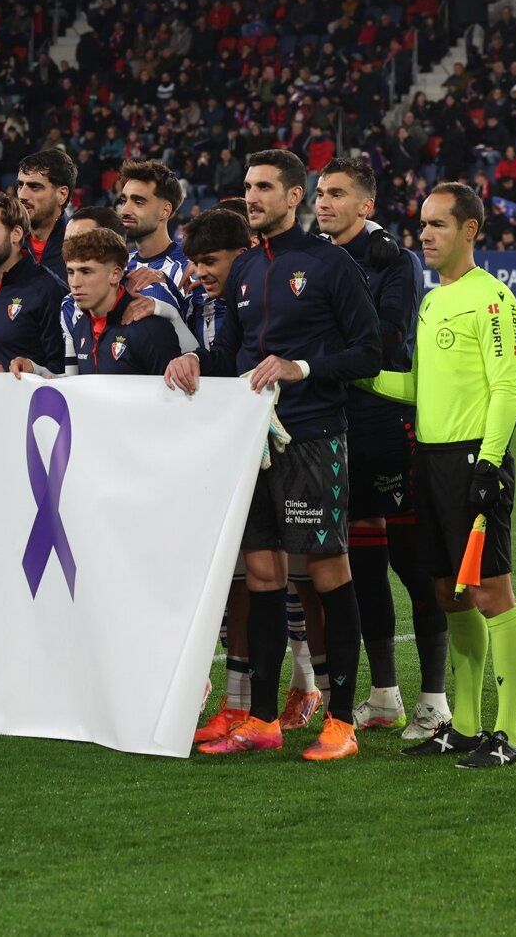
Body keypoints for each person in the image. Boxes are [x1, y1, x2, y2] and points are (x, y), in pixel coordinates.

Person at [167, 149, 381, 763]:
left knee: (324, 571)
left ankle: (341, 720)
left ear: (295, 197)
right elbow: (232, 358)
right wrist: (193, 363)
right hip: (251, 444)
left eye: (265, 187)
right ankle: (262, 717)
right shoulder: (242, 273)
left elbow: (370, 353)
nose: (253, 196)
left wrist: (302, 367)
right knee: (261, 575)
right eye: (248, 187)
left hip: (312, 436)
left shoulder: (329, 263)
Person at [356, 182, 516, 769]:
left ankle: (508, 734)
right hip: (428, 460)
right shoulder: (433, 300)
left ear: (470, 230)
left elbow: (507, 384)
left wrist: (489, 461)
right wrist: (355, 375)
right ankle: (466, 725)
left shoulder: (493, 299)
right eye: (422, 225)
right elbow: (415, 388)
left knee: (490, 592)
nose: (425, 235)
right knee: (447, 593)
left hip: (470, 462)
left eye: (438, 225)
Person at [314, 158, 449, 740]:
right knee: (362, 565)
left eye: (336, 194)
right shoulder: (312, 259)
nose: (323, 202)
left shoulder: (395, 262)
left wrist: (323, 356)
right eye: (319, 192)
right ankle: (385, 693)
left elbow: (390, 346)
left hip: (388, 424)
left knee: (413, 565)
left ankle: (436, 698)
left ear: (364, 206)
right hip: (336, 423)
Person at [176, 208, 265, 744]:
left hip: (268, 446)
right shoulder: (201, 302)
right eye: (195, 262)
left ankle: (303, 690)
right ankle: (236, 702)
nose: (202, 271)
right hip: (220, 453)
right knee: (233, 582)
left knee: (282, 579)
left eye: (210, 262)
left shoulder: (254, 301)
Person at [13, 226, 179, 376]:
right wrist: (36, 370)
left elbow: (173, 401)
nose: (75, 283)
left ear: (115, 275)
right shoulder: (80, 326)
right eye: (71, 272)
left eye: (86, 271)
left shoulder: (150, 330)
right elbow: (78, 388)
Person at [0, 191, 66, 374]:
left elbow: (62, 369)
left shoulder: (47, 289)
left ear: (16, 233)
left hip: (29, 401)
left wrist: (9, 377)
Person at [116, 159, 187, 289]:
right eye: (124, 201)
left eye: (138, 202)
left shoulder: (189, 269)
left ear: (165, 211)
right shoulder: (118, 267)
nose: (124, 210)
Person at [14, 148, 74, 280]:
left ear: (62, 194)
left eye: (34, 187)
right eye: (20, 185)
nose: (22, 195)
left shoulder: (82, 247)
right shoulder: (6, 244)